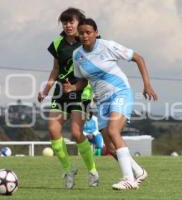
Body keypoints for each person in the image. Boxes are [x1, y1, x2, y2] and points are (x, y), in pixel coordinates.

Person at [63, 18, 158, 190]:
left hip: (120, 93)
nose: (84, 36)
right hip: (102, 101)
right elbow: (84, 80)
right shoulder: (77, 55)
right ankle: (138, 171)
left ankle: (128, 179)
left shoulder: (107, 46)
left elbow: (138, 58)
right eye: (82, 32)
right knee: (109, 146)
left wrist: (147, 85)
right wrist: (73, 87)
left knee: (114, 131)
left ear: (96, 33)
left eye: (88, 32)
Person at [38, 8, 99, 189]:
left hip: (82, 91)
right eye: (65, 23)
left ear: (79, 22)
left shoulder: (88, 40)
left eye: (71, 22)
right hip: (61, 91)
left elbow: (97, 66)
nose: (68, 25)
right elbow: (56, 69)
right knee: (53, 130)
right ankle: (68, 170)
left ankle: (93, 171)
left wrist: (97, 90)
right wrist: (46, 89)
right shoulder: (58, 42)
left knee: (76, 132)